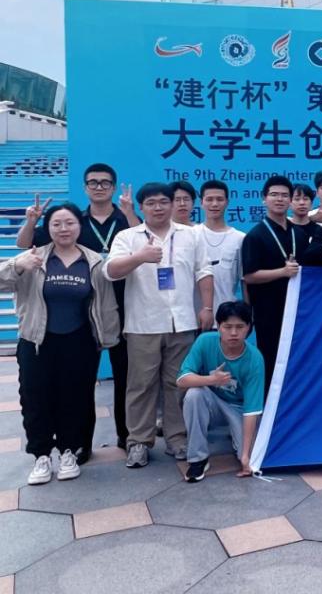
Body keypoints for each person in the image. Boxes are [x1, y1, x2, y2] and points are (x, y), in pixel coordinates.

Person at [16, 163, 139, 454]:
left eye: (105, 182)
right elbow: (25, 245)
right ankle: (80, 444)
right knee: (82, 382)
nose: (99, 187)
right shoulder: (72, 221)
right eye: (93, 182)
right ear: (85, 187)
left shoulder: (126, 219)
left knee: (126, 377)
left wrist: (130, 213)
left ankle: (127, 436)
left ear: (113, 187)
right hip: (85, 313)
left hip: (126, 305)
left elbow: (144, 239)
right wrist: (32, 222)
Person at [1, 203, 120, 485]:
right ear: (48, 228)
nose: (63, 229)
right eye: (56, 224)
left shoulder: (93, 261)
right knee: (35, 398)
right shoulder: (34, 257)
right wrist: (18, 265)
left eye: (69, 223)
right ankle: (41, 455)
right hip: (36, 341)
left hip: (79, 342)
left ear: (79, 226)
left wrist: (107, 337)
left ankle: (69, 451)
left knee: (75, 398)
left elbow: (106, 304)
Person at [104, 182, 214, 468]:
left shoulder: (191, 235)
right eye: (151, 203)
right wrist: (140, 257)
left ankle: (177, 438)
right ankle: (139, 441)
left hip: (183, 322)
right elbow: (111, 271)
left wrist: (207, 307)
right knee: (141, 385)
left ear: (172, 204)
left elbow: (204, 271)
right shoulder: (128, 237)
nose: (158, 207)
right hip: (143, 324)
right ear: (141, 208)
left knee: (178, 383)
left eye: (164, 202)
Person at [177, 301, 265, 482]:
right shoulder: (204, 341)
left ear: (249, 328)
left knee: (251, 458)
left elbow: (251, 410)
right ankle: (197, 459)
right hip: (212, 402)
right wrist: (212, 380)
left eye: (240, 327)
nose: (233, 333)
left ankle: (237, 441)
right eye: (227, 327)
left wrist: (245, 456)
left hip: (239, 408)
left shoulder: (255, 359)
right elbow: (181, 380)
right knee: (194, 395)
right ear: (218, 327)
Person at [241, 176, 300, 394]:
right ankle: (269, 409)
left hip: (297, 311)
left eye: (285, 195)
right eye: (274, 195)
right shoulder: (255, 236)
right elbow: (249, 276)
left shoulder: (299, 233)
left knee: (296, 361)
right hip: (268, 312)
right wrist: (282, 272)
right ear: (264, 199)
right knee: (271, 360)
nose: (280, 199)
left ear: (291, 200)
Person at [197, 180, 245, 313]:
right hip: (194, 314)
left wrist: (249, 312)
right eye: (209, 199)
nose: (214, 204)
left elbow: (244, 280)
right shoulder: (191, 235)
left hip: (227, 315)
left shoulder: (240, 238)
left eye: (219, 199)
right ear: (201, 203)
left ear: (227, 202)